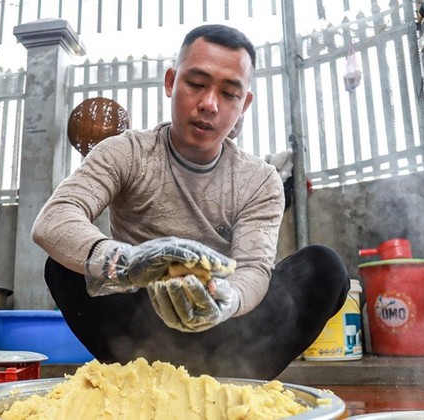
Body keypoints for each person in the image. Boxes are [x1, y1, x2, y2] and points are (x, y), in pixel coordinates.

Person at [32, 24, 350, 379]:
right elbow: (54, 220)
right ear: (171, 82)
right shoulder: (126, 152)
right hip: (140, 327)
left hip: (226, 332)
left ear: (244, 104)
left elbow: (253, 269)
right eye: (196, 84)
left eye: (229, 94)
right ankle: (144, 378)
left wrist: (225, 300)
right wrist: (129, 262)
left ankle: (234, 382)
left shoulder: (260, 180)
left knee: (324, 268)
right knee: (64, 266)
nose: (209, 104)